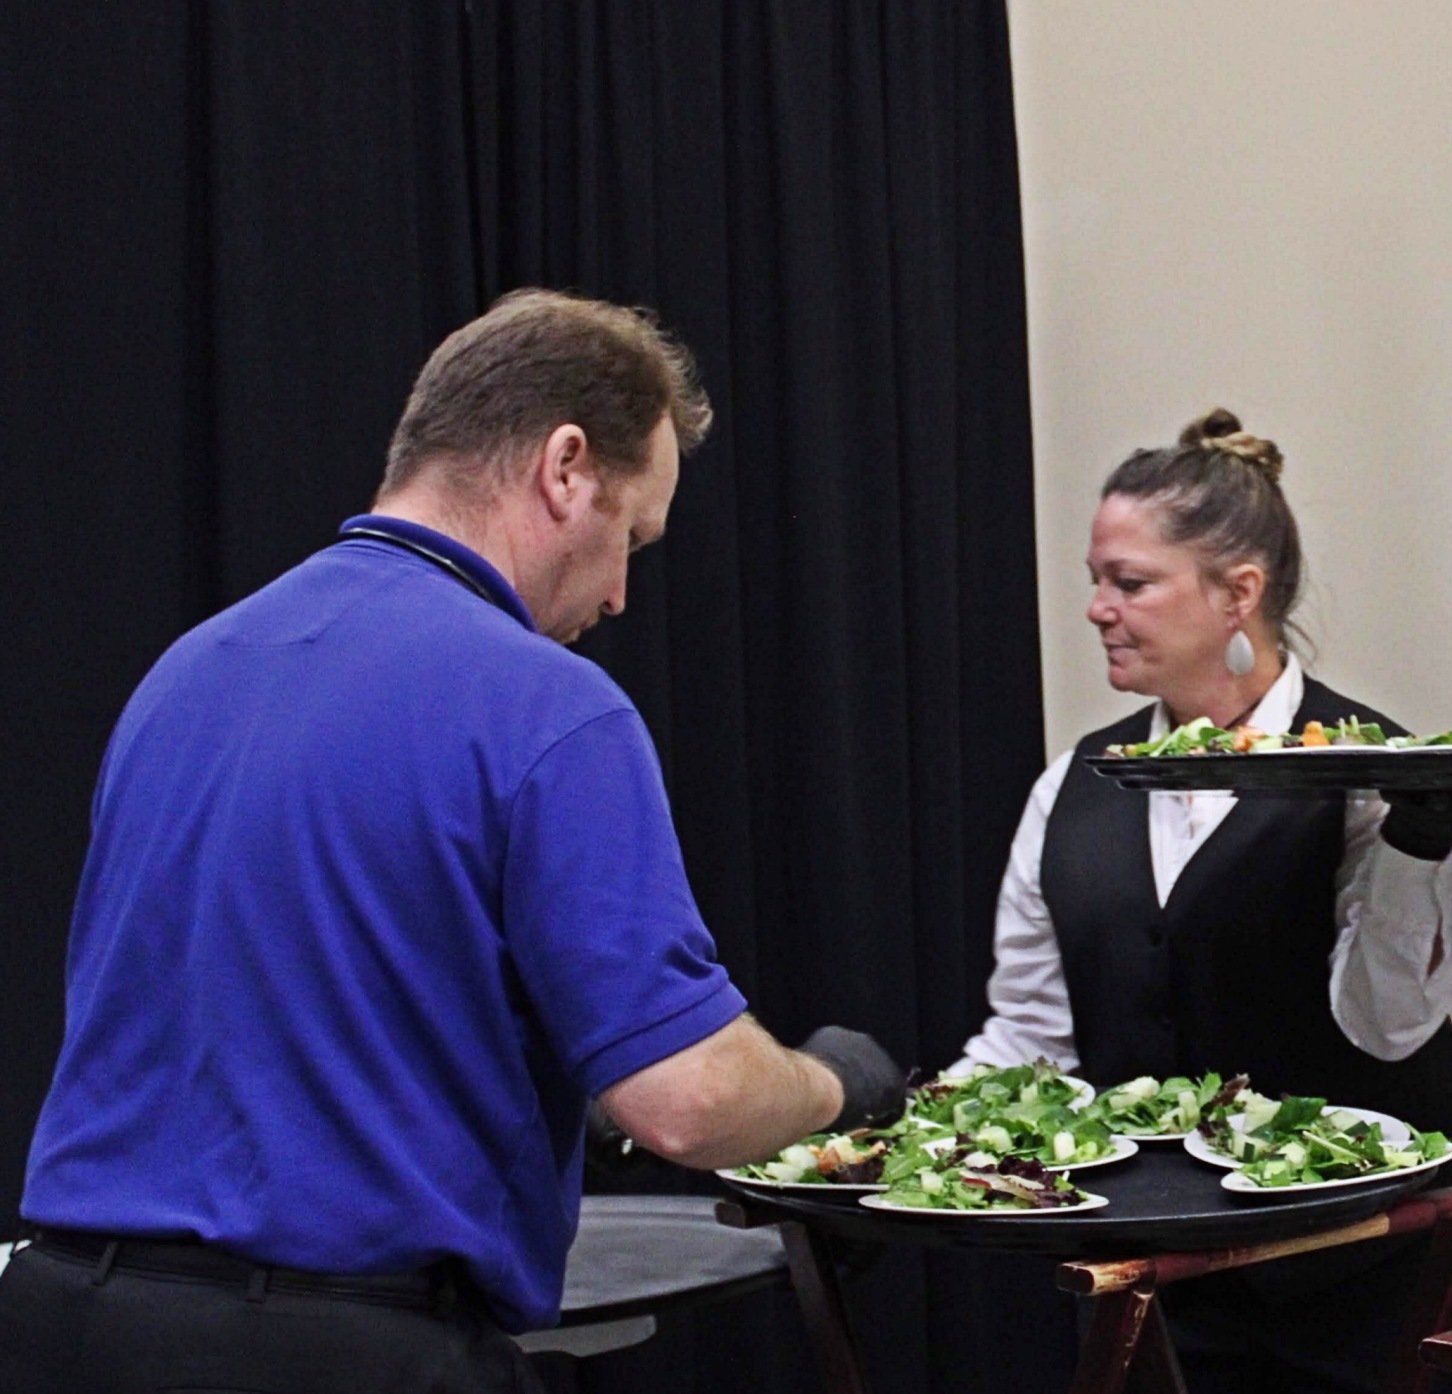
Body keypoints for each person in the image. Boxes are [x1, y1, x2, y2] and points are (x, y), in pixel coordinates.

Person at [0, 289, 903, 1394]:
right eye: (630, 534)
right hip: (337, 1351)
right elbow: (689, 1097)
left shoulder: (187, 670)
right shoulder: (548, 704)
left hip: (63, 1325)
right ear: (566, 465)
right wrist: (836, 1085)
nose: (621, 592)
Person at [956, 409, 1452, 1394]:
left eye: (1131, 582)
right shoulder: (1073, 782)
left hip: (1368, 1287)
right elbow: (1033, 1032)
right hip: (1165, 1287)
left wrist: (1417, 839)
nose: (1099, 608)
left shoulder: (1373, 771)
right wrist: (909, 1129)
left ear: (1240, 592)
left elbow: (1390, 1024)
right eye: (1096, 580)